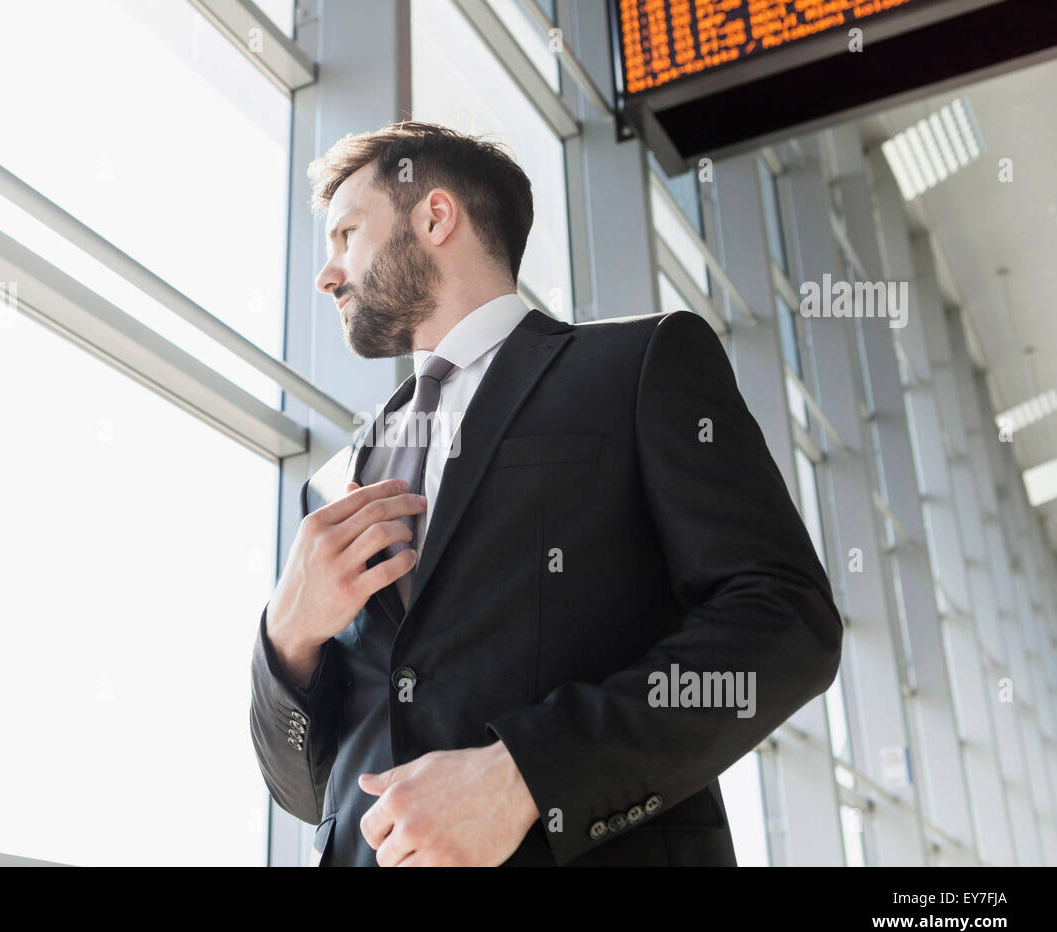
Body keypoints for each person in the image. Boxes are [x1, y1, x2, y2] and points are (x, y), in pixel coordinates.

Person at [249, 120, 843, 866]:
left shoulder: (638, 365)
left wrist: (530, 775)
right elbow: (305, 792)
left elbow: (786, 624)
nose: (327, 274)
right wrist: (286, 637)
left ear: (435, 216)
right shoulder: (331, 486)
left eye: (346, 235)